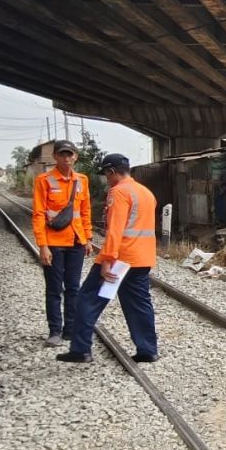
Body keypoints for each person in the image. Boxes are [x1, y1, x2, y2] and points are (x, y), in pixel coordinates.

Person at [58, 154, 159, 364]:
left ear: (111, 171)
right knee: (139, 304)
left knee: (87, 299)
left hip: (119, 260)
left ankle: (80, 349)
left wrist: (107, 260)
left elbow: (115, 230)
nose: (106, 179)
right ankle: (148, 350)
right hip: (142, 259)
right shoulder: (146, 192)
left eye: (106, 174)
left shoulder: (119, 192)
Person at [31, 139, 93, 347]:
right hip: (54, 243)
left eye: (70, 154)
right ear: (55, 157)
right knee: (54, 289)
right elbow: (39, 214)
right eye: (62, 154)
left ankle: (70, 330)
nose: (66, 158)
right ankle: (55, 331)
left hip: (76, 241)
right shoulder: (44, 180)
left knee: (74, 288)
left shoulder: (82, 180)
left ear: (75, 156)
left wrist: (88, 238)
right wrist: (43, 245)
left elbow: (85, 211)